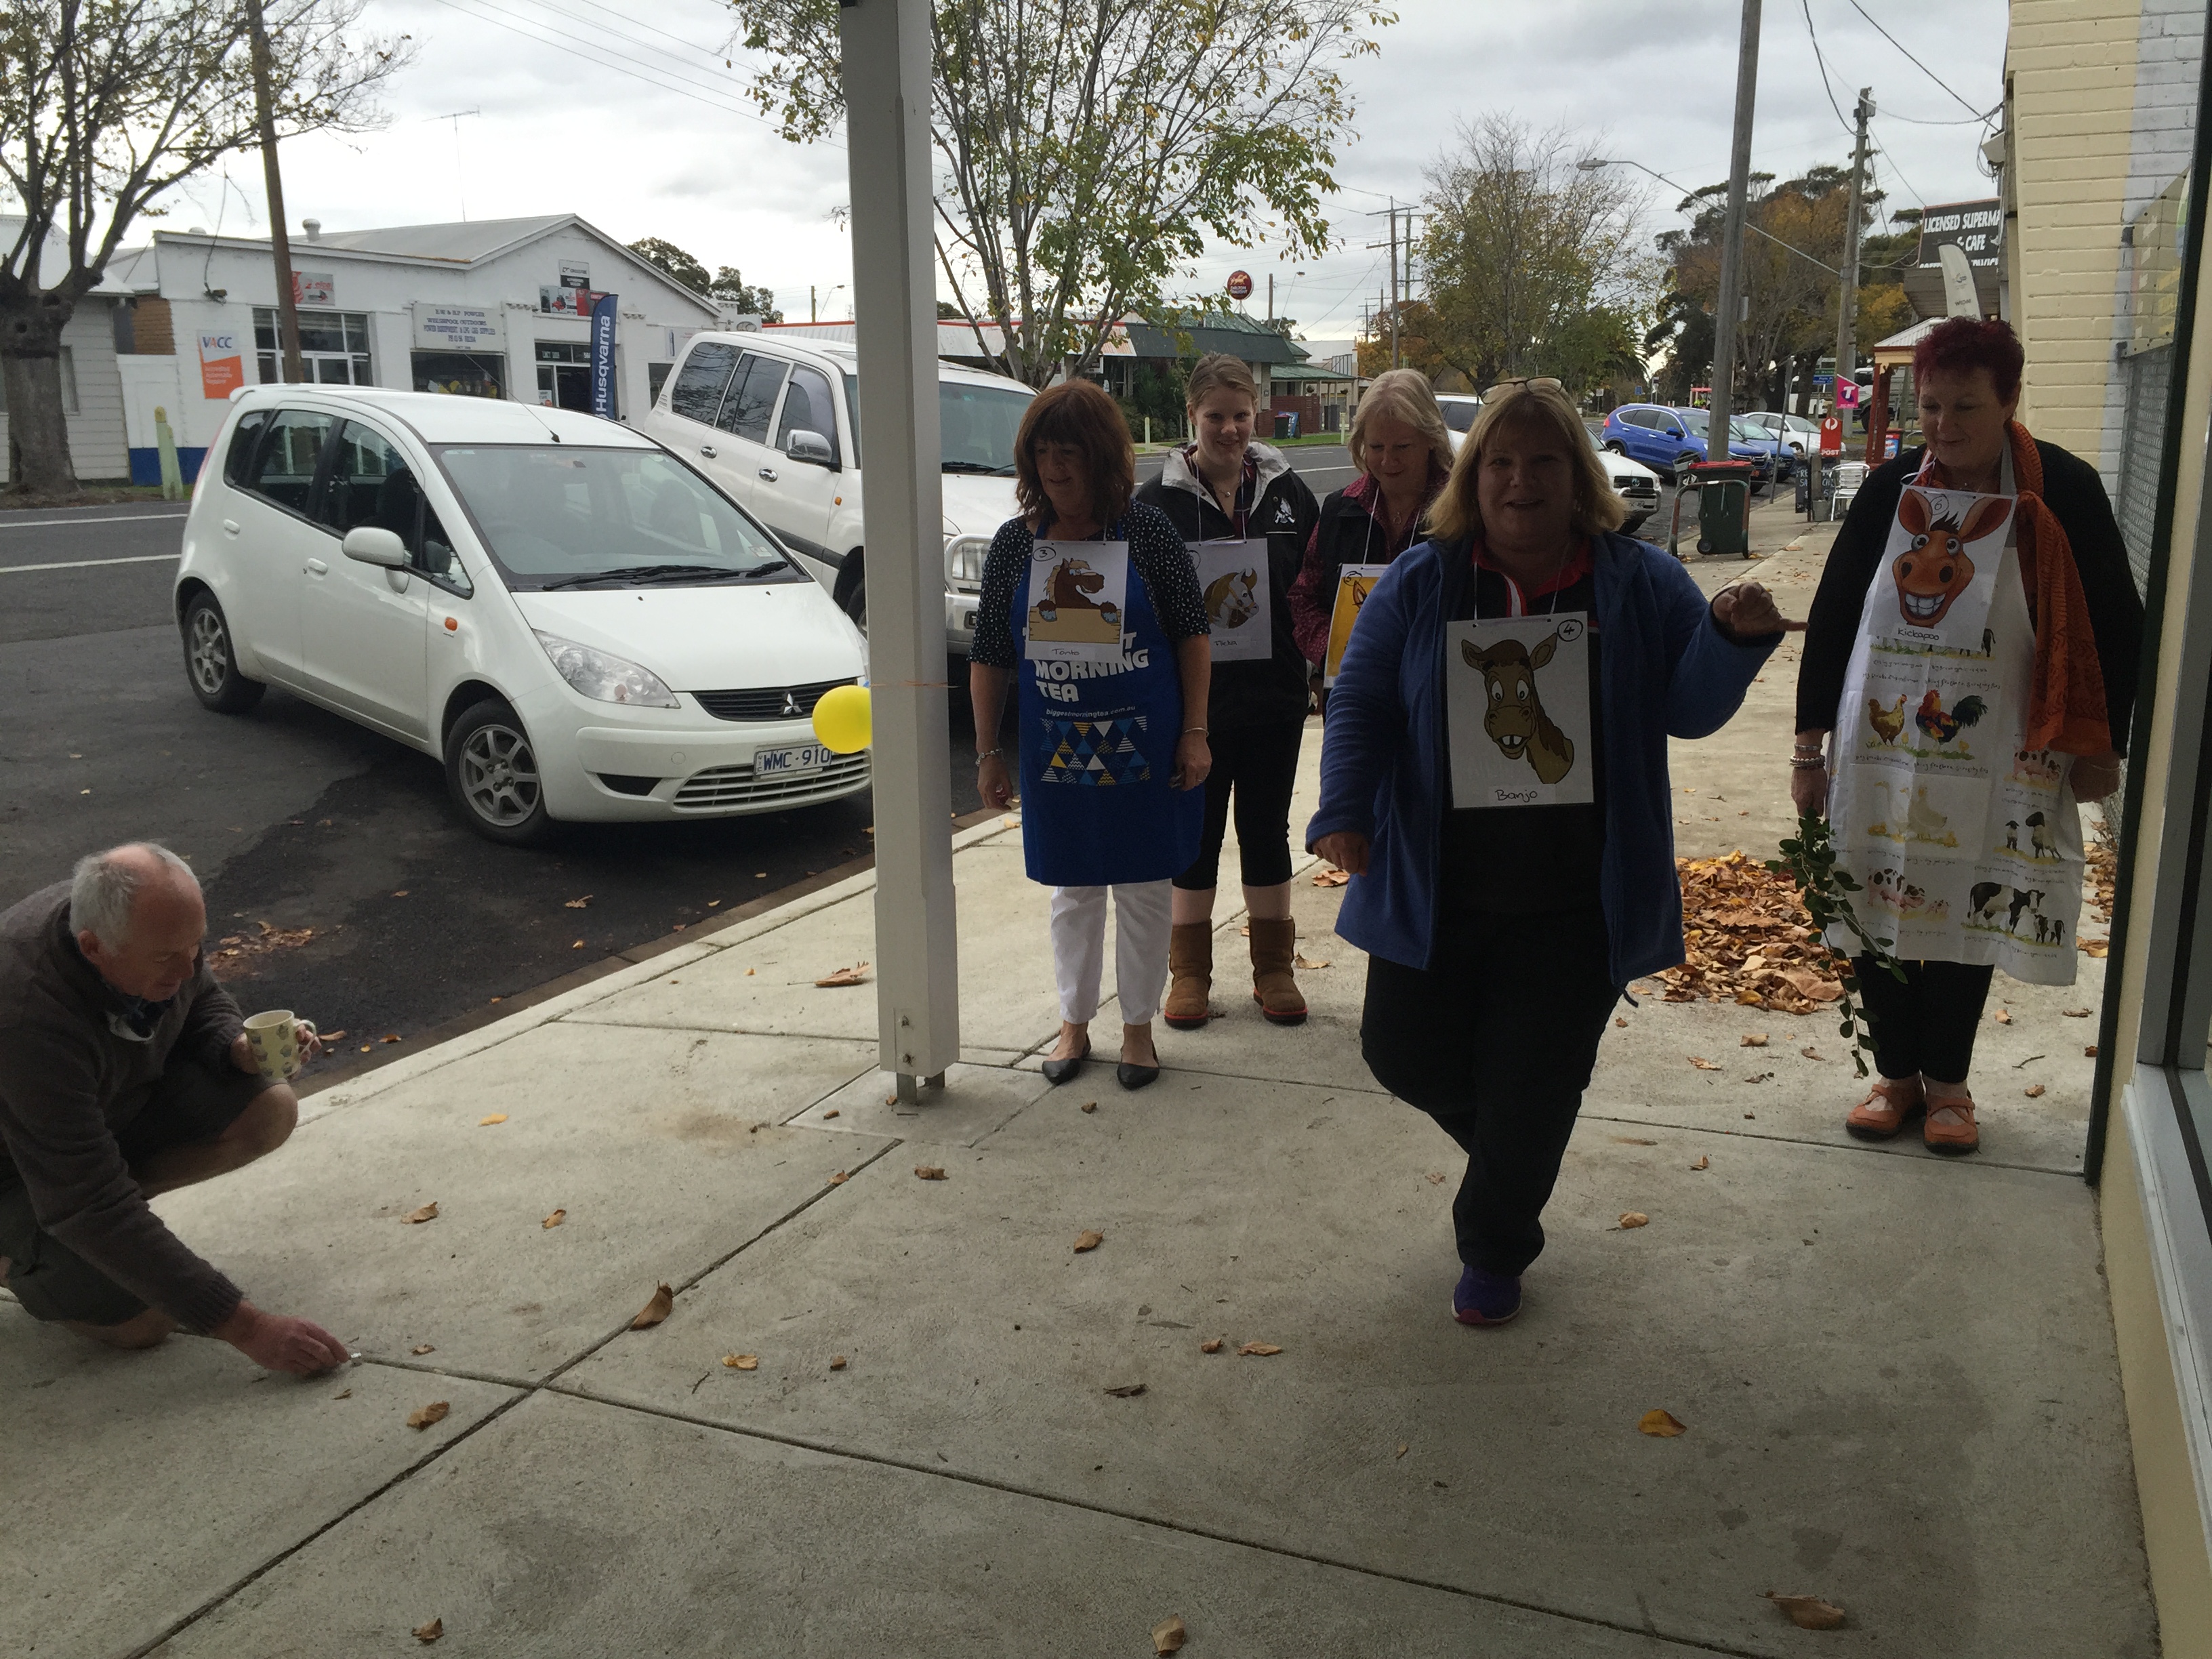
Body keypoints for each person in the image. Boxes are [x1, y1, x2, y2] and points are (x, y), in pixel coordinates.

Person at [1306, 380, 1790, 1326]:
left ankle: (1494, 1246)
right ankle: (1520, 1146)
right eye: (1501, 461)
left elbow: (1689, 708)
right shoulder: (1424, 577)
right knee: (1402, 1054)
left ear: (1578, 476)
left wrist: (1732, 641)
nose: (1520, 480)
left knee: (1532, 1077)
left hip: (1576, 896)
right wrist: (1343, 808)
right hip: (1440, 885)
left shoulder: (1637, 579)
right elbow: (1359, 699)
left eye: (1543, 461)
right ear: (1473, 475)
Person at [1793, 316, 2143, 1154]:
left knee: (1971, 898)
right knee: (1876, 891)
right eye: (1932, 407)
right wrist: (1808, 752)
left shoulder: (2063, 488)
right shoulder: (1890, 493)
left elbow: (2117, 624)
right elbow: (1836, 615)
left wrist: (2107, 744)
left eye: (1965, 409)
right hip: (1883, 746)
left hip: (2009, 749)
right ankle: (1895, 1075)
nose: (1943, 428)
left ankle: (1947, 1083)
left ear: (2011, 401)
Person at [0, 844, 349, 1374]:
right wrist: (248, 1327)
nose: (188, 968)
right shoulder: (26, 1019)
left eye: (197, 945)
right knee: (144, 1324)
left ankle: (109, 1238)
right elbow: (87, 1200)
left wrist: (236, 1048)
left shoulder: (150, 926)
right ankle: (17, 1257)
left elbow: (201, 1000)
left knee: (269, 1108)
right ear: (93, 948)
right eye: (168, 958)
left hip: (94, 1118)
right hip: (16, 1166)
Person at [970, 380, 1213, 1090]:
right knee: (1071, 891)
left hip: (1145, 746)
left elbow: (1194, 638)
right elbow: (991, 654)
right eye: (1043, 453)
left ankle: (1138, 1030)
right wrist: (988, 751)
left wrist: (1195, 733)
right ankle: (1074, 1023)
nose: (1055, 469)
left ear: (1103, 458)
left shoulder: (1148, 533)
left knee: (1142, 887)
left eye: (1070, 453)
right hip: (1058, 750)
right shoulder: (1017, 546)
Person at [1133, 353, 1320, 1029]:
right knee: (1198, 836)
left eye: (1242, 416)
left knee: (1267, 831)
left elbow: (1312, 588)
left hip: (1274, 697)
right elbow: (1138, 608)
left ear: (1256, 415)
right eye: (1216, 417)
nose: (1231, 430)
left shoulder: (1290, 494)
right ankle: (1190, 974)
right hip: (1194, 709)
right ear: (1193, 416)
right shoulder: (1156, 506)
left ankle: (1274, 968)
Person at [1287, 367, 1456, 668]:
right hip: (1353, 695)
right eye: (1376, 447)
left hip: (1436, 696)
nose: (1388, 461)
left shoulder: (1462, 512)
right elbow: (1304, 599)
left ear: (1432, 439)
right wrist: (1335, 652)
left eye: (1402, 447)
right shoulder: (1339, 511)